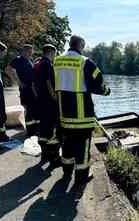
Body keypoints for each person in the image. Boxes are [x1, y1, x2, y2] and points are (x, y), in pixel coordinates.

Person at [54, 35, 111, 186]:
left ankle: (66, 172)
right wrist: (106, 91)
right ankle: (81, 177)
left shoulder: (57, 61)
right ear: (81, 46)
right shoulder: (84, 62)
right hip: (82, 115)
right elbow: (97, 83)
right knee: (83, 146)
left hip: (64, 113)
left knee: (67, 143)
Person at [33, 44, 61, 167]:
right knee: (52, 129)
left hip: (40, 101)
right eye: (54, 54)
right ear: (50, 52)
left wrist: (37, 95)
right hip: (49, 101)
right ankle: (53, 157)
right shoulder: (47, 64)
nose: (55, 56)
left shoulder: (37, 64)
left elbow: (33, 83)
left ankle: (44, 155)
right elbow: (48, 81)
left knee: (43, 128)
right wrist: (53, 96)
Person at [6, 44, 39, 137]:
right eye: (29, 52)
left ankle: (34, 129)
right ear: (23, 51)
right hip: (26, 89)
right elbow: (8, 69)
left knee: (33, 109)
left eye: (31, 52)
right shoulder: (18, 60)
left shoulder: (29, 60)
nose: (30, 54)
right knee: (28, 110)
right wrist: (18, 82)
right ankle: (30, 131)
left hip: (32, 89)